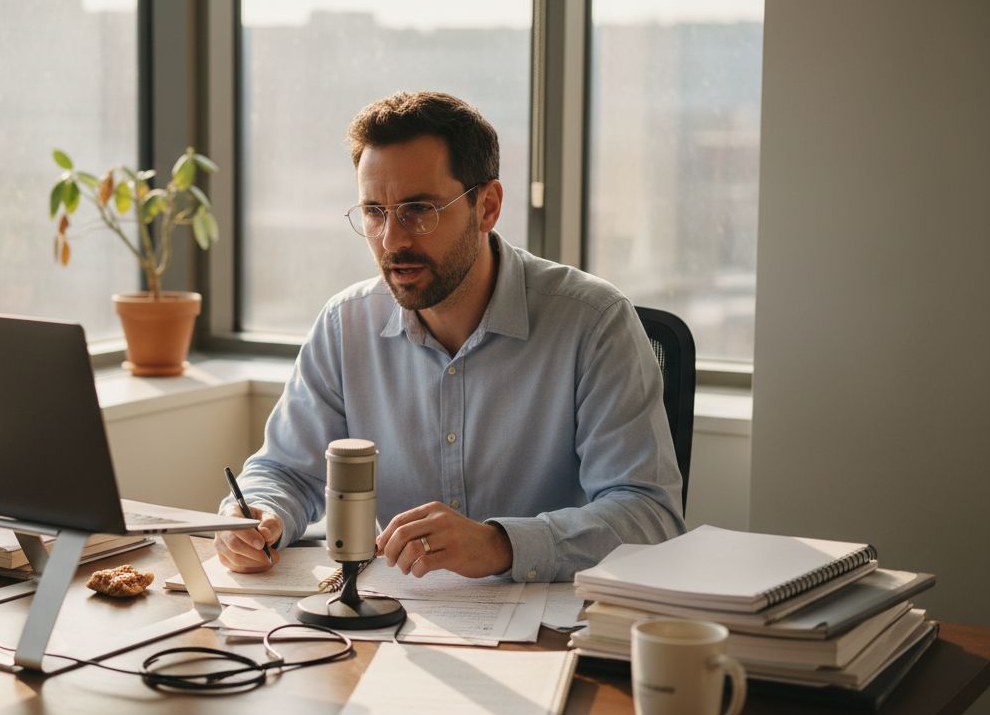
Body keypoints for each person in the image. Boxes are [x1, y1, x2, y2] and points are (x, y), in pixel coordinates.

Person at [215, 91, 684, 583]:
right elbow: (286, 471)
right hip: (403, 626)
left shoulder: (593, 322)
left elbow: (650, 516)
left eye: (419, 209)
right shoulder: (344, 325)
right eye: (374, 211)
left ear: (488, 207)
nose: (392, 240)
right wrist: (254, 516)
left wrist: (503, 545)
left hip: (555, 629)